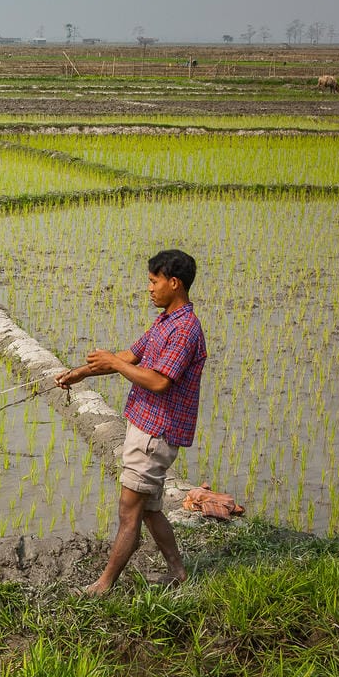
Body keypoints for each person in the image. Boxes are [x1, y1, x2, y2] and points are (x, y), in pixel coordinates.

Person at [55, 249, 207, 596]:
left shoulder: (184, 330)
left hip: (156, 432)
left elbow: (158, 381)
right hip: (145, 426)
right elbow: (130, 356)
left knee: (129, 513)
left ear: (174, 283)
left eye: (154, 282)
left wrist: (114, 362)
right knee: (150, 510)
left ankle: (103, 585)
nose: (150, 289)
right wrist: (79, 374)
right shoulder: (165, 321)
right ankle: (180, 574)